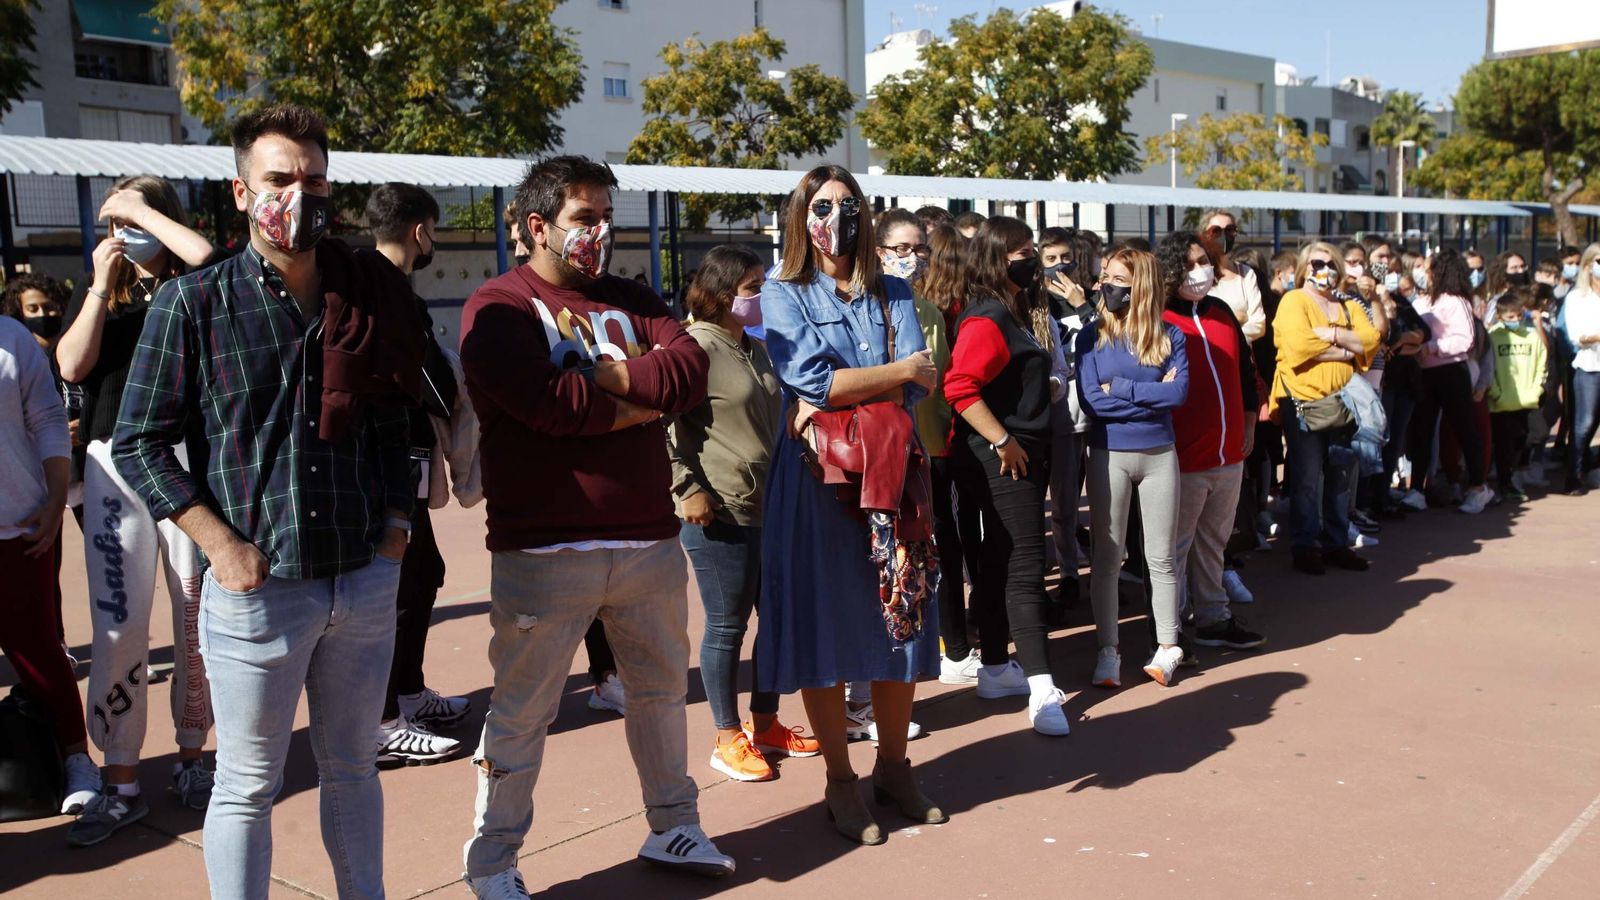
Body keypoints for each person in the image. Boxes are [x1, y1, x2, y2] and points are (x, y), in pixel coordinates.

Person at [112, 104, 419, 898]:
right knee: (248, 782)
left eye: (315, 179)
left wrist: (395, 528)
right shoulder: (193, 303)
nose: (300, 194)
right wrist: (219, 543)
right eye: (280, 179)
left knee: (354, 768)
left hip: (362, 577)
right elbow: (136, 441)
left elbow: (395, 418)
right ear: (243, 193)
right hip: (258, 589)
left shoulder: (364, 294)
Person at [458, 155, 734, 892]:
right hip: (545, 551)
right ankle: (492, 862)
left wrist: (597, 381)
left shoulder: (634, 298)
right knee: (522, 715)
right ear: (536, 226)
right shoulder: (500, 306)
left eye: (607, 218)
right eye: (586, 219)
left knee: (659, 694)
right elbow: (546, 405)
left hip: (647, 542)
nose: (600, 233)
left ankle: (674, 826)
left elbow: (689, 374)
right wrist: (635, 392)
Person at [758, 165, 945, 845]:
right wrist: (888, 376)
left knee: (903, 616)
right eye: (823, 205)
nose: (837, 218)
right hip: (818, 483)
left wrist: (848, 390)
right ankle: (840, 780)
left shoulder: (893, 289)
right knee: (827, 626)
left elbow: (921, 381)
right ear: (801, 215)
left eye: (850, 205)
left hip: (895, 472)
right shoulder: (782, 291)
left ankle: (894, 768)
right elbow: (807, 375)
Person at [54, 174, 219, 845]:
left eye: (138, 216)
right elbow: (70, 365)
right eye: (115, 217)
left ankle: (193, 758)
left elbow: (208, 258)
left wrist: (143, 214)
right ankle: (119, 778)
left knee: (192, 618)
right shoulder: (102, 294)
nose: (125, 229)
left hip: (183, 461)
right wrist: (99, 281)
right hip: (111, 465)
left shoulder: (195, 289)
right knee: (118, 624)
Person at [670, 244, 818, 784]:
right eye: (753, 287)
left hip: (769, 506)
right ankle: (726, 735)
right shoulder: (691, 348)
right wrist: (686, 487)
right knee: (728, 625)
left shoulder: (753, 348)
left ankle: (767, 722)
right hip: (719, 511)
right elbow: (665, 427)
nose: (761, 296)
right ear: (722, 292)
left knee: (775, 622)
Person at [365, 183, 475, 767]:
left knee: (424, 574)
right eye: (433, 230)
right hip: (387, 463)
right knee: (393, 590)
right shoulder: (383, 290)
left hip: (404, 459)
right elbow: (426, 380)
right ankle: (382, 720)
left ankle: (407, 692)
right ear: (417, 230)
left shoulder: (382, 285)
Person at [946, 216, 1069, 736]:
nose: (1033, 258)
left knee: (999, 562)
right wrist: (1003, 440)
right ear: (998, 260)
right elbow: (960, 387)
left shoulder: (1009, 313)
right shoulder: (988, 318)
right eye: (1023, 251)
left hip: (1011, 454)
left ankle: (996, 665)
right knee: (1024, 566)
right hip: (1003, 458)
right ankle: (1042, 690)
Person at [0, 314, 104, 822]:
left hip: (15, 526)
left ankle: (77, 759)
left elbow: (46, 419)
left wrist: (57, 495)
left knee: (40, 650)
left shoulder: (12, 338)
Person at [1076, 247, 1189, 688]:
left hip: (1161, 454)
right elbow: (1091, 400)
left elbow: (1178, 395)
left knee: (1160, 558)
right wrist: (1147, 393)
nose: (1105, 285)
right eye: (1105, 276)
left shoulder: (1170, 335)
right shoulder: (1091, 336)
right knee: (1107, 557)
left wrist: (1120, 387)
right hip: (1108, 455)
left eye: (1116, 279)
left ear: (1138, 286)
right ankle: (1109, 651)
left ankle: (1167, 647)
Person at [1156, 233, 1266, 652]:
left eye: (1203, 260)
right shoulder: (1160, 318)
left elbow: (1246, 376)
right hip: (1183, 457)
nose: (1199, 271)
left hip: (1229, 453)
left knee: (1214, 542)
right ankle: (1170, 626)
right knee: (1175, 547)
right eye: (1189, 263)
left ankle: (1213, 618)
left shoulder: (1221, 312)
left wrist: (1250, 423)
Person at [1271, 243, 1379, 575]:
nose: (1326, 268)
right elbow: (1297, 346)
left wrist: (1330, 335)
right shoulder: (1294, 301)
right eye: (1318, 262)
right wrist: (1347, 346)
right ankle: (1304, 546)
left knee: (1340, 475)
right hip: (1304, 401)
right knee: (1305, 478)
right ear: (1305, 266)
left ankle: (1335, 543)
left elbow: (1372, 340)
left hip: (1344, 403)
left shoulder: (1348, 305)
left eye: (1332, 263)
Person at [919, 222, 984, 687]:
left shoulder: (932, 308)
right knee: (952, 541)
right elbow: (946, 381)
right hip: (945, 437)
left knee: (945, 542)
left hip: (941, 436)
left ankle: (954, 640)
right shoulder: (948, 312)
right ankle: (955, 644)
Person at [1411, 247, 1496, 514]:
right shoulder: (1421, 302)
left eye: (1428, 269)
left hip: (1451, 371)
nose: (1424, 274)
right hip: (1424, 373)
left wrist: (1433, 347)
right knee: (1422, 431)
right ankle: (1416, 489)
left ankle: (1478, 487)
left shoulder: (1457, 302)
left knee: (1464, 428)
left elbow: (1464, 339)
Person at [1040, 226, 1093, 609]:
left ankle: (1107, 570)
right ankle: (1069, 573)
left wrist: (1083, 305)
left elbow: (1111, 340)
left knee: (1103, 500)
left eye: (1065, 258)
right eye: (1051, 260)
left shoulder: (1093, 299)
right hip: (1061, 415)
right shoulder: (1038, 305)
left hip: (1098, 414)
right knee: (1064, 501)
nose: (1061, 266)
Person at [1486, 286, 1549, 502]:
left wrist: (1537, 390)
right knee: (1503, 445)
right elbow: (1488, 366)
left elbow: (1542, 362)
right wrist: (1495, 392)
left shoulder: (1531, 335)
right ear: (1500, 316)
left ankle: (1515, 471)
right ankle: (1506, 483)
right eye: (1511, 316)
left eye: (1519, 315)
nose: (1516, 319)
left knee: (1537, 433)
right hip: (1502, 401)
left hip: (1528, 399)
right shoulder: (1493, 336)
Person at [1561, 243, 1600, 495]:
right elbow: (1577, 336)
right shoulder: (1577, 298)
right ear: (1588, 265)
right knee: (1584, 424)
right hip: (1589, 368)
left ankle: (1589, 467)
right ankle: (1573, 474)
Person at [1199, 210, 1265, 342]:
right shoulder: (1198, 275)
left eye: (1230, 229)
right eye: (1216, 231)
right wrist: (1238, 319)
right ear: (1204, 235)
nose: (1223, 235)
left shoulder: (1246, 273)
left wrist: (1227, 332)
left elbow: (1259, 325)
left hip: (1241, 356)